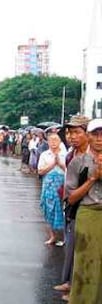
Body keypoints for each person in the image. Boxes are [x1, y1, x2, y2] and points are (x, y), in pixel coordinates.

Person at [65, 118, 102, 303]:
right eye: (95, 134)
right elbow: (71, 198)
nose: (99, 139)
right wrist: (92, 178)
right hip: (88, 214)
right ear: (89, 136)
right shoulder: (77, 162)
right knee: (85, 263)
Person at [53, 115, 89, 302]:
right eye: (69, 132)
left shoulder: (92, 156)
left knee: (83, 251)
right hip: (72, 205)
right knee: (71, 246)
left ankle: (78, 289)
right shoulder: (71, 154)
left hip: (86, 206)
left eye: (76, 132)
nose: (71, 137)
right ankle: (69, 282)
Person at [37, 133, 66, 245]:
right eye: (51, 140)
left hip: (62, 185)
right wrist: (53, 164)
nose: (53, 142)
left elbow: (69, 170)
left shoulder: (65, 154)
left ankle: (64, 237)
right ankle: (53, 236)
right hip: (48, 185)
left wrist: (60, 164)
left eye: (56, 140)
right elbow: (40, 171)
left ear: (60, 142)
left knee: (62, 209)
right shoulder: (45, 155)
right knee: (49, 209)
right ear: (48, 142)